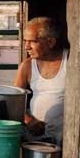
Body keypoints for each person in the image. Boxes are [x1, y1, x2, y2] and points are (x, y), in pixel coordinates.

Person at [14, 17, 67, 145]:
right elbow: (14, 102)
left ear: (50, 42)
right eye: (25, 41)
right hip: (34, 134)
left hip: (65, 135)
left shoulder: (70, 61)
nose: (27, 47)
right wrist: (29, 121)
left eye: (32, 42)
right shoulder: (26, 66)